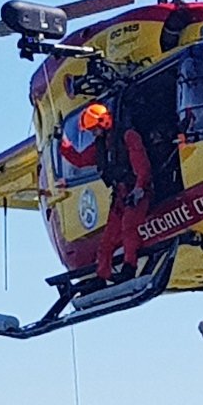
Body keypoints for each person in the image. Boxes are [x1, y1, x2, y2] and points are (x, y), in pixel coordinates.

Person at [59, 102, 152, 282]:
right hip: (120, 195)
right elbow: (79, 160)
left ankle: (129, 267)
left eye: (94, 129)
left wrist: (139, 188)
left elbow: (142, 166)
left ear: (103, 122)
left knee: (128, 228)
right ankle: (102, 275)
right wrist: (63, 144)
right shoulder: (101, 146)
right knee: (107, 240)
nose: (94, 133)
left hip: (137, 192)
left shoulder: (128, 136)